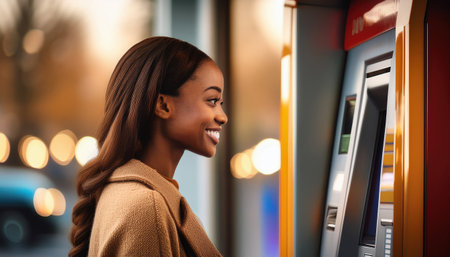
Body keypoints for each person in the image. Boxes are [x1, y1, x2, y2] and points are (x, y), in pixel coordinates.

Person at [69, 37, 227, 257]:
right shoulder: (147, 207)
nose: (222, 117)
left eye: (221, 103)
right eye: (211, 100)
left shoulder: (123, 190)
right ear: (163, 105)